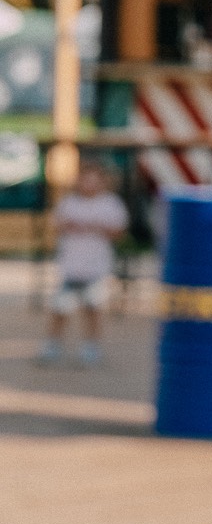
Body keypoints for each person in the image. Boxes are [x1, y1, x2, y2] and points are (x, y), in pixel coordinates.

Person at [40, 154, 127, 367]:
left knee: (93, 309)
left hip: (96, 268)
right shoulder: (69, 202)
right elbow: (57, 224)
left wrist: (96, 228)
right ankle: (53, 345)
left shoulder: (110, 203)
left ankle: (91, 346)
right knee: (60, 308)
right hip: (71, 267)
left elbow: (118, 231)